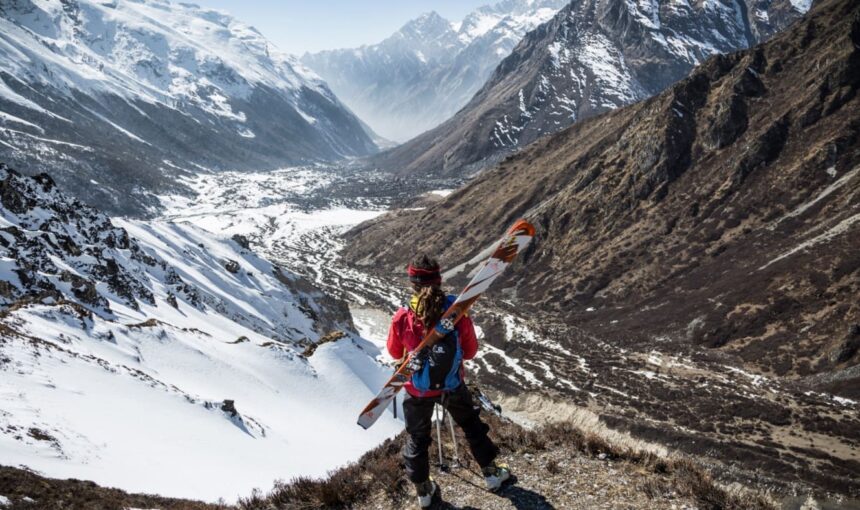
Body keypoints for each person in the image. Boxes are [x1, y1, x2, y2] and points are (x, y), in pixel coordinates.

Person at [387, 254, 511, 508]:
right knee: (472, 426)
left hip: (417, 390)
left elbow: (393, 352)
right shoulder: (457, 310)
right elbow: (470, 351)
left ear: (412, 281)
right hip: (452, 384)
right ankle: (491, 473)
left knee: (418, 438)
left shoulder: (402, 315)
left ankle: (424, 491)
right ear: (439, 279)